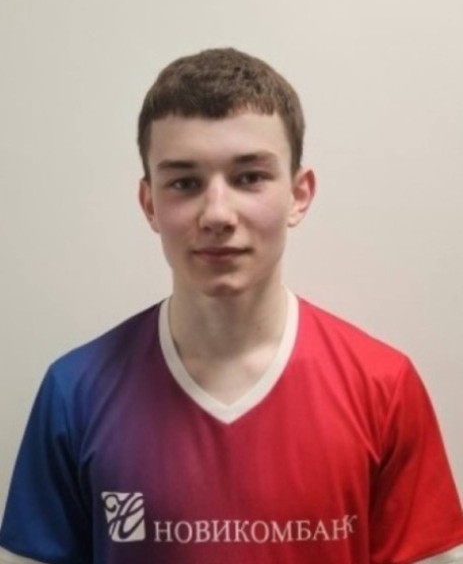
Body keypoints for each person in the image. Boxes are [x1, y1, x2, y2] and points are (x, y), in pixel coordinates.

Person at [0, 48, 462, 564]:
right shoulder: (75, 392)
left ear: (299, 194)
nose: (217, 214)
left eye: (249, 177)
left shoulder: (383, 388)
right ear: (150, 203)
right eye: (185, 183)